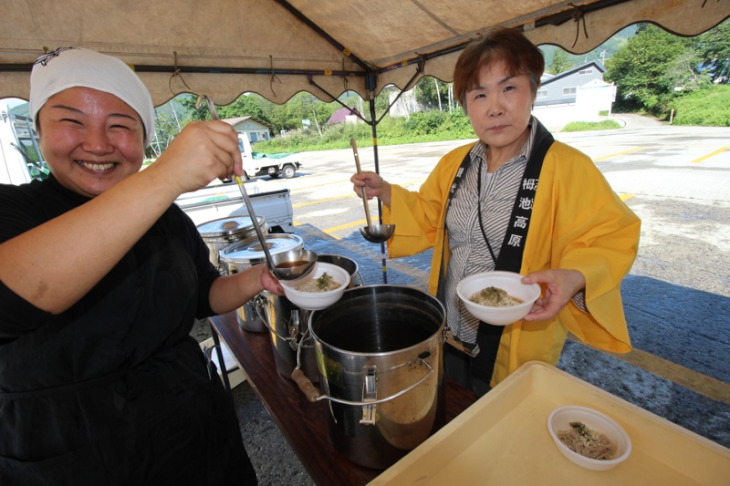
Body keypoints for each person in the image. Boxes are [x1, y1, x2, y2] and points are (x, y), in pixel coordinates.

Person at [0, 47, 283, 485]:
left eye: (120, 125)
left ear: (144, 136)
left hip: (195, 437)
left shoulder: (166, 217)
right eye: (71, 120)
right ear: (37, 129)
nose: (96, 143)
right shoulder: (12, 210)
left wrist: (255, 279)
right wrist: (166, 175)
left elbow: (202, 297)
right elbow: (15, 296)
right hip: (72, 458)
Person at [351, 28, 641, 396]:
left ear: (532, 92)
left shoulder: (569, 167)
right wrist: (387, 191)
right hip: (451, 327)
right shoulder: (454, 163)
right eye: (479, 94)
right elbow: (429, 215)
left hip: (518, 339)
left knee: (501, 428)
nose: (495, 107)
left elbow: (610, 235)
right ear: (466, 105)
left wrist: (576, 277)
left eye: (509, 88)